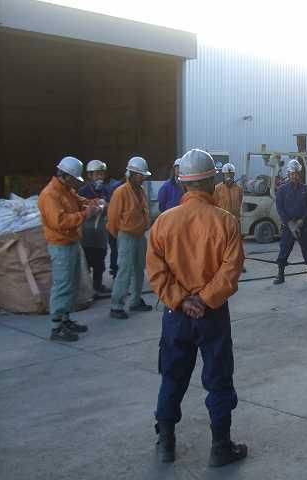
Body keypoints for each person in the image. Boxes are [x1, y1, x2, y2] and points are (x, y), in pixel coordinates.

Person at [146, 148, 247, 466]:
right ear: (212, 180)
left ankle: (166, 444)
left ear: (182, 181)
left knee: (172, 377)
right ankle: (220, 448)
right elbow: (231, 269)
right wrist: (204, 299)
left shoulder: (163, 223)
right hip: (212, 313)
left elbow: (156, 271)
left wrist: (181, 299)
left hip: (176, 314)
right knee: (218, 378)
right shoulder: (226, 222)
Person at [38, 156, 101, 342]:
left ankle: (65, 319)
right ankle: (57, 326)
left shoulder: (65, 190)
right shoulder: (50, 195)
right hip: (60, 245)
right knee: (62, 285)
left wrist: (92, 202)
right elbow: (60, 222)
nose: (77, 183)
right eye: (75, 179)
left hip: (71, 242)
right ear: (66, 176)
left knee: (71, 283)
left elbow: (78, 200)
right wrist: (86, 214)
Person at [107, 156, 153, 319]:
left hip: (140, 236)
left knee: (139, 270)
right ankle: (116, 305)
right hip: (126, 236)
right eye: (141, 175)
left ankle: (135, 300)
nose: (143, 178)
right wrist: (119, 237)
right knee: (124, 271)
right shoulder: (120, 192)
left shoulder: (141, 191)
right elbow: (112, 219)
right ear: (132, 174)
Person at [272, 159, 307, 285]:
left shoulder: (305, 189)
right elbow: (280, 208)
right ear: (288, 174)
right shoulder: (282, 190)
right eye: (292, 174)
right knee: (284, 250)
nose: (295, 176)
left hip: (302, 226)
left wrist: (301, 221)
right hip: (288, 226)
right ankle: (280, 274)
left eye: (297, 173)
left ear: (299, 174)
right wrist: (290, 223)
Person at [77, 160, 118, 294]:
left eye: (102, 174)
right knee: (87, 260)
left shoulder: (107, 190)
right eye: (97, 174)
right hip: (87, 232)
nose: (100, 177)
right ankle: (88, 288)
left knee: (100, 260)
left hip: (101, 231)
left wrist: (106, 206)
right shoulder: (83, 191)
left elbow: (112, 207)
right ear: (89, 175)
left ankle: (98, 284)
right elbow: (78, 208)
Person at [215, 163, 246, 272]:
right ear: (223, 175)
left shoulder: (239, 189)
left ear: (234, 175)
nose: (229, 177)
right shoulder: (217, 189)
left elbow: (240, 202)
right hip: (222, 222)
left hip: (235, 221)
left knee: (237, 245)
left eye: (231, 174)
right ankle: (221, 265)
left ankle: (240, 264)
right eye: (227, 174)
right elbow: (214, 204)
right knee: (222, 245)